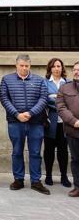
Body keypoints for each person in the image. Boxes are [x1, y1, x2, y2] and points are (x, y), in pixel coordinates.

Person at [0, 54, 50, 195]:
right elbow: (4, 98)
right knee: (17, 151)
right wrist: (17, 114)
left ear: (30, 66)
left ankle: (35, 181)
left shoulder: (39, 81)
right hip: (15, 122)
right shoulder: (7, 80)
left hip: (35, 122)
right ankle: (18, 179)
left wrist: (31, 113)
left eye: (26, 66)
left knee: (35, 152)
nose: (24, 68)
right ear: (16, 65)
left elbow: (43, 98)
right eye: (21, 65)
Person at [43, 57, 71, 187]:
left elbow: (70, 103)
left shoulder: (68, 83)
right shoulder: (44, 83)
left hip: (64, 123)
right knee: (48, 151)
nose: (56, 68)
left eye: (58, 66)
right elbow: (44, 101)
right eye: (53, 66)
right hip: (50, 122)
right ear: (50, 68)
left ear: (62, 68)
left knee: (63, 151)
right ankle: (48, 175)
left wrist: (54, 100)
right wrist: (60, 103)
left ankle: (64, 176)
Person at [56, 61, 79, 197]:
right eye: (75, 70)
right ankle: (78, 186)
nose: (76, 72)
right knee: (76, 160)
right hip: (73, 131)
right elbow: (61, 107)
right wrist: (74, 121)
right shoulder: (65, 88)